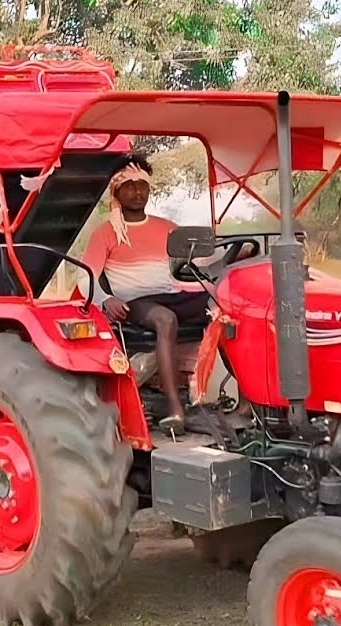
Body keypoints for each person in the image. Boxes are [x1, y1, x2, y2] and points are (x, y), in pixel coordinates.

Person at [76, 154, 209, 434]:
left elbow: (192, 266)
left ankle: (247, 405)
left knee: (227, 307)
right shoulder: (106, 233)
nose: (137, 191)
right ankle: (175, 408)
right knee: (165, 319)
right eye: (130, 186)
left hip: (170, 292)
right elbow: (84, 274)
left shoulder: (167, 228)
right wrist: (106, 300)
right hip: (135, 303)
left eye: (142, 185)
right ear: (117, 191)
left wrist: (234, 256)